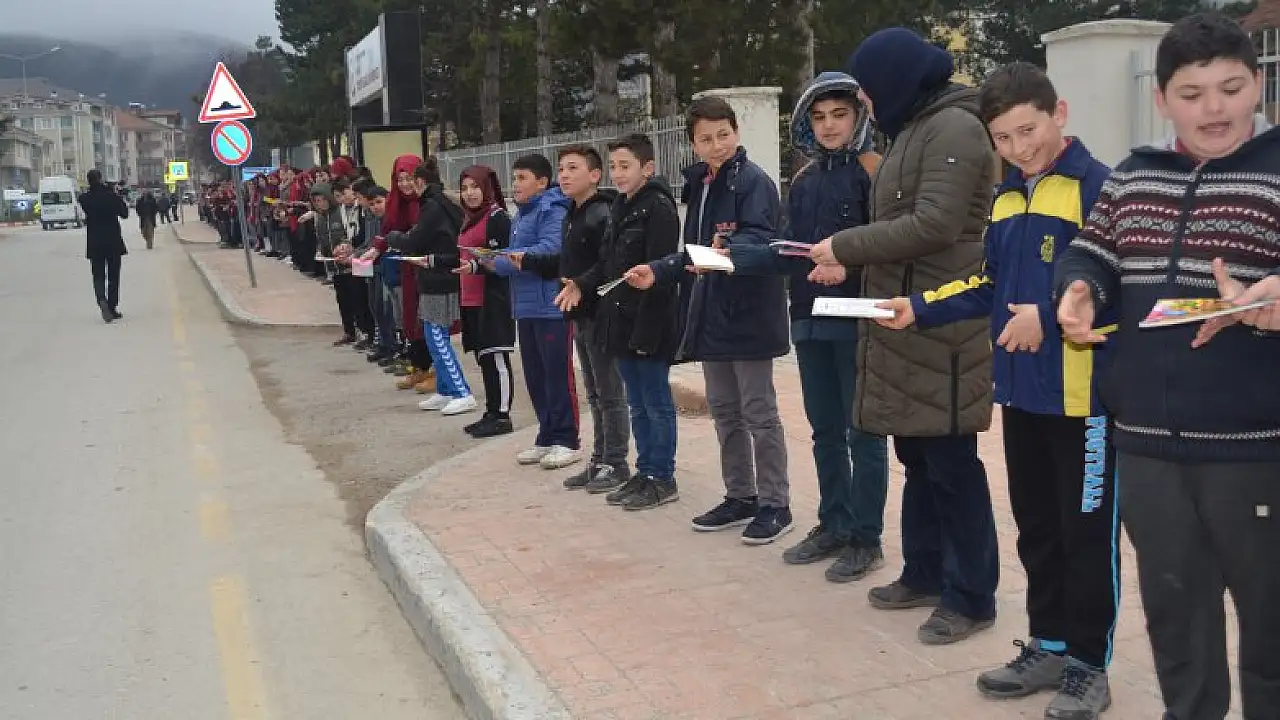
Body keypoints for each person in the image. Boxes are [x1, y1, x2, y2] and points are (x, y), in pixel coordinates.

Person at [1053, 13, 1280, 719]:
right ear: (1162, 100)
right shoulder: (1135, 174)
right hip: (1148, 444)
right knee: (1178, 624)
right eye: (1192, 93)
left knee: (1272, 629)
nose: (1214, 108)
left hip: (1257, 448)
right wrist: (1079, 287)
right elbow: (1094, 250)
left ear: (1258, 85)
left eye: (1231, 89)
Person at [877, 62, 1117, 716]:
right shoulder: (1007, 198)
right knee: (1037, 529)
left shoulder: (1100, 190)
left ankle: (1089, 666)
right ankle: (1049, 645)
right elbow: (987, 284)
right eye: (1003, 138)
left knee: (1085, 538)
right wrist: (918, 306)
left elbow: (1124, 288)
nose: (1018, 148)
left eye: (1027, 131)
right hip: (1020, 396)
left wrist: (1052, 316)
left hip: (1086, 404)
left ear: (1059, 114)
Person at [807, 27, 1001, 644]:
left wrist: (845, 245)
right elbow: (897, 225)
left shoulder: (955, 128)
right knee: (916, 456)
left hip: (943, 324)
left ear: (894, 80)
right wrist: (850, 260)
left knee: (951, 465)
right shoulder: (915, 128)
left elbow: (935, 224)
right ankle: (924, 572)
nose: (865, 103)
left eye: (866, 91)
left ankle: (971, 596)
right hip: (903, 320)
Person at [728, 72, 891, 578]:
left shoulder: (875, 172)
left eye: (839, 114)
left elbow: (893, 247)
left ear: (859, 117)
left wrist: (849, 266)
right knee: (825, 431)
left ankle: (866, 538)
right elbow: (790, 250)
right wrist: (733, 258)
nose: (829, 125)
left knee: (863, 433)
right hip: (809, 320)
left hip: (859, 320)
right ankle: (834, 523)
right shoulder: (803, 179)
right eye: (818, 117)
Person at [625, 96, 793, 545]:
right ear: (693, 144)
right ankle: (741, 495)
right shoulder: (698, 185)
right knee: (724, 410)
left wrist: (728, 253)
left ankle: (776, 504)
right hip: (711, 316)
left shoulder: (754, 182)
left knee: (759, 412)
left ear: (736, 132)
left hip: (750, 315)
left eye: (724, 135)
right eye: (706, 138)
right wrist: (659, 270)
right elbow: (693, 251)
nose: (717, 145)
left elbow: (765, 242)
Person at [558, 133, 682, 510]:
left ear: (648, 167)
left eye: (625, 166)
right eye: (614, 166)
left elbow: (662, 273)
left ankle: (662, 477)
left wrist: (647, 331)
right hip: (619, 321)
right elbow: (608, 265)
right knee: (637, 404)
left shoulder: (658, 207)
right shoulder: (620, 206)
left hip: (649, 323)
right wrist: (581, 284)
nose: (618, 173)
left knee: (656, 403)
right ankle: (644, 472)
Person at [523, 146, 630, 493]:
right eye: (561, 169)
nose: (564, 175)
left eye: (573, 168)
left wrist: (581, 285)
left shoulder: (602, 213)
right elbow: (566, 261)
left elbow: (608, 264)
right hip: (579, 315)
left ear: (595, 175)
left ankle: (616, 462)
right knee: (594, 393)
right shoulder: (572, 212)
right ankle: (599, 459)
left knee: (610, 393)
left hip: (602, 314)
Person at [490, 154, 580, 469]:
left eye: (522, 178)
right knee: (535, 376)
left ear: (541, 182)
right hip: (525, 307)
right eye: (514, 178)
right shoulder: (521, 215)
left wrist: (507, 258)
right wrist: (488, 261)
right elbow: (514, 258)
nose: (515, 184)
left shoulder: (552, 209)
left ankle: (567, 440)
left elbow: (551, 249)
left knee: (557, 376)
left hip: (551, 307)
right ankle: (546, 435)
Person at [387, 159, 476, 416]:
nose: (407, 187)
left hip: (439, 280)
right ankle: (445, 389)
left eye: (411, 181)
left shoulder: (432, 206)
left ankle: (461, 392)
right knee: (431, 334)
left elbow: (415, 240)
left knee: (437, 337)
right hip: (436, 278)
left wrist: (394, 237)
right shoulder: (440, 202)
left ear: (420, 182)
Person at [453, 165, 517, 438]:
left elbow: (505, 257)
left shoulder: (497, 218)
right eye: (465, 188)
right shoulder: (468, 219)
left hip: (492, 299)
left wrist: (477, 266)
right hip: (471, 298)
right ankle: (491, 412)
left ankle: (502, 415)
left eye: (475, 187)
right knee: (484, 359)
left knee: (496, 356)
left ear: (487, 188)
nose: (470, 193)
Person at [375, 154, 436, 393]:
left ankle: (436, 371)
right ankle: (419, 366)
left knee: (428, 319)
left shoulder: (428, 202)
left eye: (409, 178)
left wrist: (401, 240)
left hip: (428, 268)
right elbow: (386, 232)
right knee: (410, 318)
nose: (404, 184)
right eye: (399, 180)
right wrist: (375, 249)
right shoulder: (397, 203)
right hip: (406, 269)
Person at [79, 169, 129, 323]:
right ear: (101, 179)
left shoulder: (84, 198)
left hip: (95, 243)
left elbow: (89, 204)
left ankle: (102, 300)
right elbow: (124, 213)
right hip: (113, 241)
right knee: (114, 276)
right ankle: (112, 307)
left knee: (98, 275)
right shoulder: (111, 196)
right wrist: (116, 194)